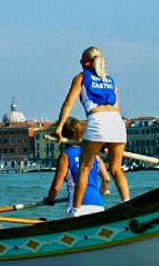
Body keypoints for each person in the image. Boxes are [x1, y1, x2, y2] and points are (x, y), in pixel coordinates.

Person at [54, 46, 131, 215]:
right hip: (117, 124)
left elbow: (68, 104)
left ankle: (75, 211)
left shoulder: (81, 77)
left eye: (81, 62)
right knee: (116, 169)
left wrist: (59, 128)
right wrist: (106, 141)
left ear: (85, 63)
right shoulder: (110, 80)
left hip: (98, 121)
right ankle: (128, 204)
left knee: (84, 168)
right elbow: (116, 107)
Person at [43, 118, 111, 216]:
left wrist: (49, 199)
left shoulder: (65, 156)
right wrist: (98, 194)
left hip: (77, 207)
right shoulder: (94, 154)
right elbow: (106, 180)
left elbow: (56, 188)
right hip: (98, 205)